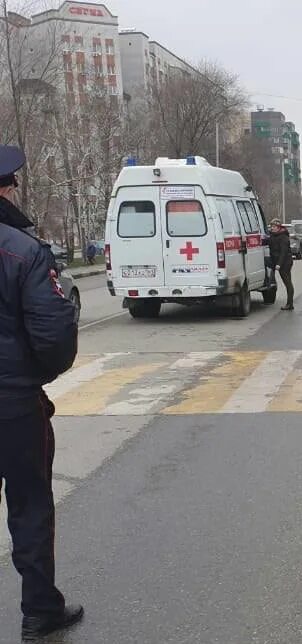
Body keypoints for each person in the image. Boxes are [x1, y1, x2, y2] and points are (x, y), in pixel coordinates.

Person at [0, 145, 83, 639]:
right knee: (29, 507)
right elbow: (53, 335)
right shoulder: (22, 250)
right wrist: (37, 377)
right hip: (12, 408)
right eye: (10, 184)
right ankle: (40, 611)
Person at [268, 218, 294, 311]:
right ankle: (290, 304)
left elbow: (283, 252)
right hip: (278, 261)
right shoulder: (272, 236)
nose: (272, 228)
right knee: (287, 282)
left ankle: (289, 304)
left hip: (285, 262)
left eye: (274, 227)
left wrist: (279, 264)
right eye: (272, 226)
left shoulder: (283, 237)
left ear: (279, 227)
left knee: (287, 282)